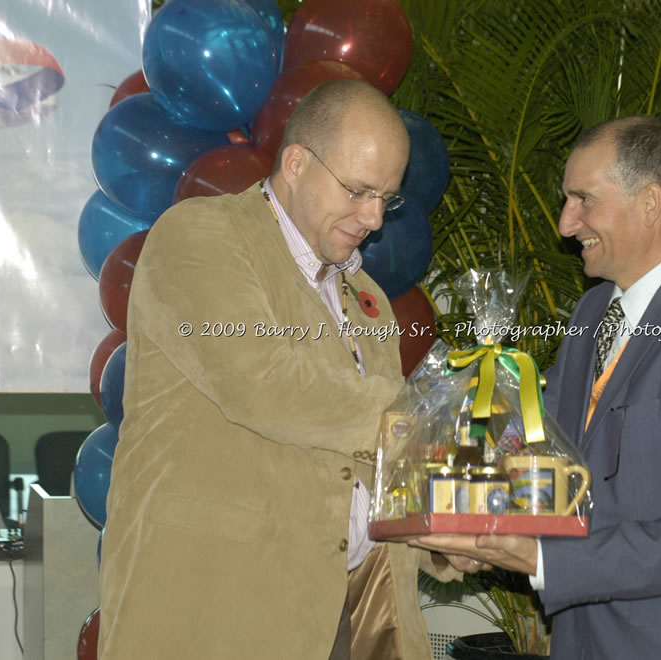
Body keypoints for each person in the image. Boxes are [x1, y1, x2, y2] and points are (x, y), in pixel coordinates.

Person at [99, 79, 457, 660]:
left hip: (350, 622)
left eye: (386, 199)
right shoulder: (202, 237)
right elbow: (265, 382)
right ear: (295, 163)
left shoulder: (369, 301)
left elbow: (374, 464)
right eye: (358, 190)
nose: (373, 217)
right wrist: (435, 423)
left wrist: (453, 529)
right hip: (218, 618)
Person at [412, 115, 661, 658]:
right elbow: (554, 459)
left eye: (583, 199)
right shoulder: (594, 311)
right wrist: (479, 525)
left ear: (650, 203)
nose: (566, 223)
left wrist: (539, 558)